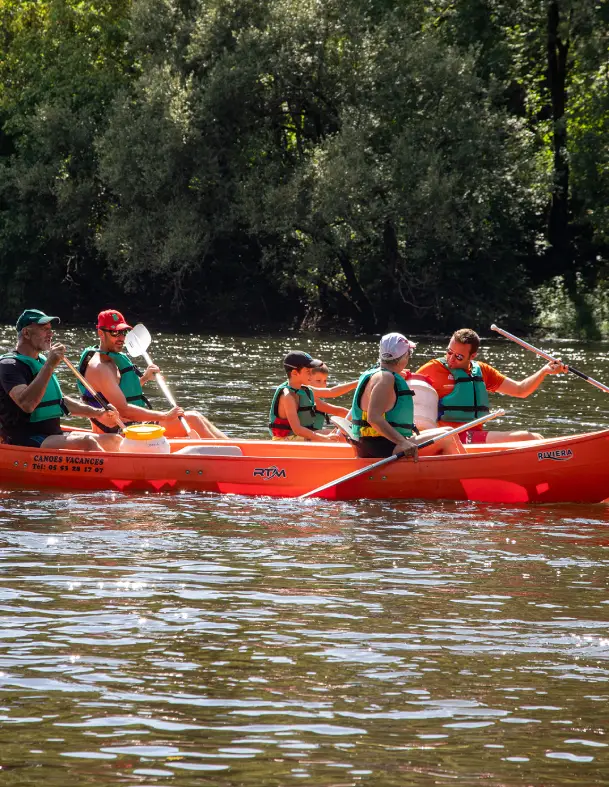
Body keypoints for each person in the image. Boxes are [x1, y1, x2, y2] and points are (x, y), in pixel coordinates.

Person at [78, 309, 226, 439]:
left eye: (123, 332)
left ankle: (238, 449)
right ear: (101, 333)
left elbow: (116, 394)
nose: (121, 338)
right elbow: (124, 409)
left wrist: (144, 378)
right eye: (115, 332)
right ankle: (234, 458)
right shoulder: (100, 368)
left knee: (196, 415)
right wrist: (165, 416)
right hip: (117, 431)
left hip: (127, 425)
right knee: (192, 419)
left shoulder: (110, 358)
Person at [416, 327, 567, 443]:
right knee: (528, 438)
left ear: (472, 356)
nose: (451, 359)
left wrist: (544, 371)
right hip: (449, 438)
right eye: (449, 352)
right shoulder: (433, 368)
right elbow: (408, 389)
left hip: (473, 436)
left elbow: (521, 390)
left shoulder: (482, 371)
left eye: (459, 356)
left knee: (537, 437)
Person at [0, 309, 121, 450]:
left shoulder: (41, 361)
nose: (50, 334)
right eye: (45, 329)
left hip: (51, 434)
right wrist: (50, 364)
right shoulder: (9, 365)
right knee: (88, 443)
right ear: (26, 333)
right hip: (23, 439)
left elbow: (60, 401)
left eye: (51, 329)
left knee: (115, 440)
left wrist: (98, 413)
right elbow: (27, 404)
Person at [351, 333, 465, 459]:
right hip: (383, 448)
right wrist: (403, 442)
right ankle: (466, 472)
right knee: (447, 437)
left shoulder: (379, 374)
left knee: (449, 431)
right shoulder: (386, 379)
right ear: (404, 356)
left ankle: (453, 469)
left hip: (377, 444)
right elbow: (373, 418)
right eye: (409, 353)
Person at [269, 351, 345, 441]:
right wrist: (324, 438)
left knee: (341, 434)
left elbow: (332, 392)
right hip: (286, 440)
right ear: (294, 373)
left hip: (298, 437)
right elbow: (297, 430)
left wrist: (359, 383)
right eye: (308, 371)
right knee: (339, 437)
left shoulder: (304, 389)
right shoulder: (288, 396)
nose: (311, 374)